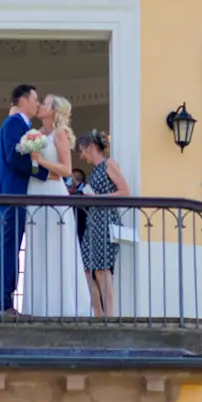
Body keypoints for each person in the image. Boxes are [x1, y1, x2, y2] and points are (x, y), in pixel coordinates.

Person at [21, 94, 86, 317]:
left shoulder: (59, 134)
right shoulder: (36, 135)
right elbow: (41, 171)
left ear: (55, 110)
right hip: (37, 190)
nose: (39, 105)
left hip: (54, 197)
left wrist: (41, 162)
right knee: (38, 246)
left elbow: (67, 170)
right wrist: (36, 168)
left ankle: (61, 308)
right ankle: (38, 308)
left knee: (55, 248)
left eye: (45, 103)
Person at [0, 85, 43, 313]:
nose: (38, 103)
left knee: (11, 248)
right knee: (9, 248)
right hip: (11, 194)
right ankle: (4, 303)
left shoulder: (20, 124)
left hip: (14, 193)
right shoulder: (14, 123)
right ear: (23, 100)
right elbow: (13, 156)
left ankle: (6, 301)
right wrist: (41, 172)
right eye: (35, 99)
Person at [75, 130, 129, 319]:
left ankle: (110, 317)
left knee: (102, 271)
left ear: (90, 147)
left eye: (82, 151)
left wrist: (97, 198)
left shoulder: (109, 164)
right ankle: (99, 313)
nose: (81, 156)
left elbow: (124, 192)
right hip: (93, 222)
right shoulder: (95, 170)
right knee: (87, 269)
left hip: (105, 221)